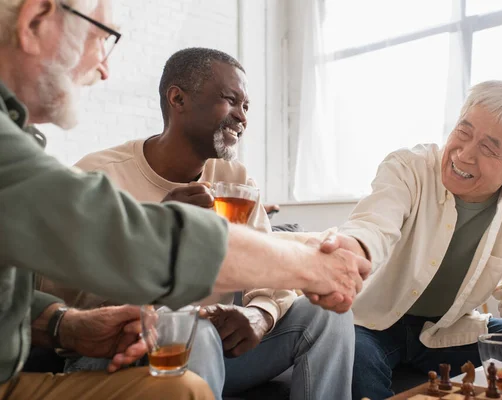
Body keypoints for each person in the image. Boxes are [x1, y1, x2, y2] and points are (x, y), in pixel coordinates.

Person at [0, 1, 370, 399]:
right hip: (133, 350)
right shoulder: (97, 173)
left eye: (246, 106)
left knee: (325, 315)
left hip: (215, 348)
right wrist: (314, 266)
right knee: (193, 330)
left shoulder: (235, 180)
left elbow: (273, 284)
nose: (243, 117)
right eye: (100, 39)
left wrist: (257, 315)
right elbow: (72, 293)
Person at [319, 81, 502, 399]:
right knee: (355, 362)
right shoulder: (408, 168)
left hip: (449, 328)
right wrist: (353, 248)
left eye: (488, 149)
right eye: (463, 133)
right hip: (370, 324)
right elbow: (372, 227)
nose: (464, 154)